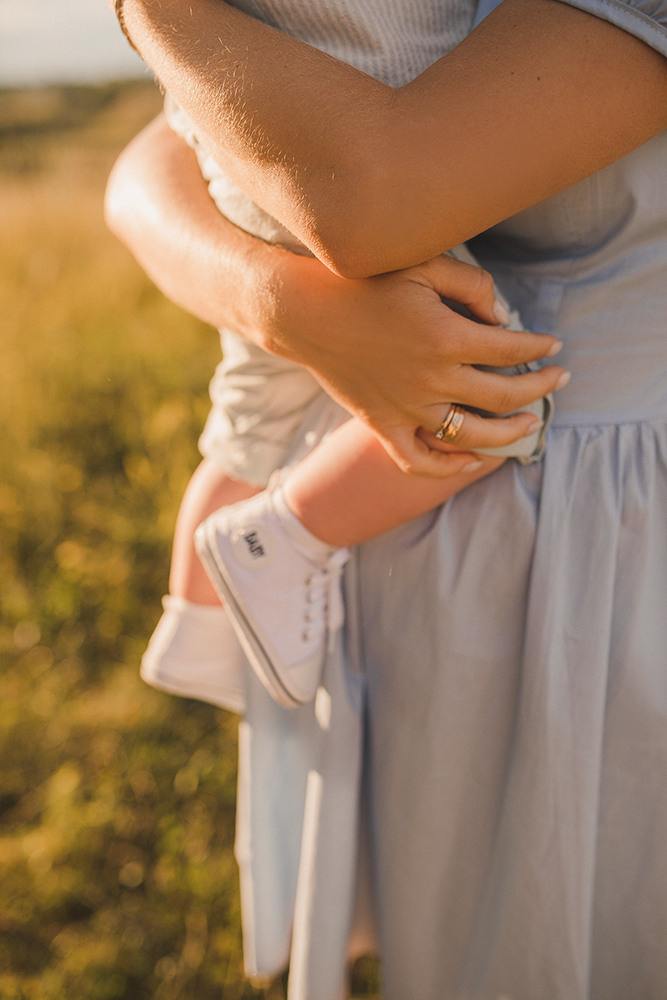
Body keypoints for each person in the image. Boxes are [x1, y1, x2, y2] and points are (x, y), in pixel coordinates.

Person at [105, 0, 667, 997]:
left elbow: (369, 193)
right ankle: (217, 599)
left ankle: (218, 597)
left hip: (608, 536)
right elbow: (158, 160)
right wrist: (279, 300)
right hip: (423, 515)